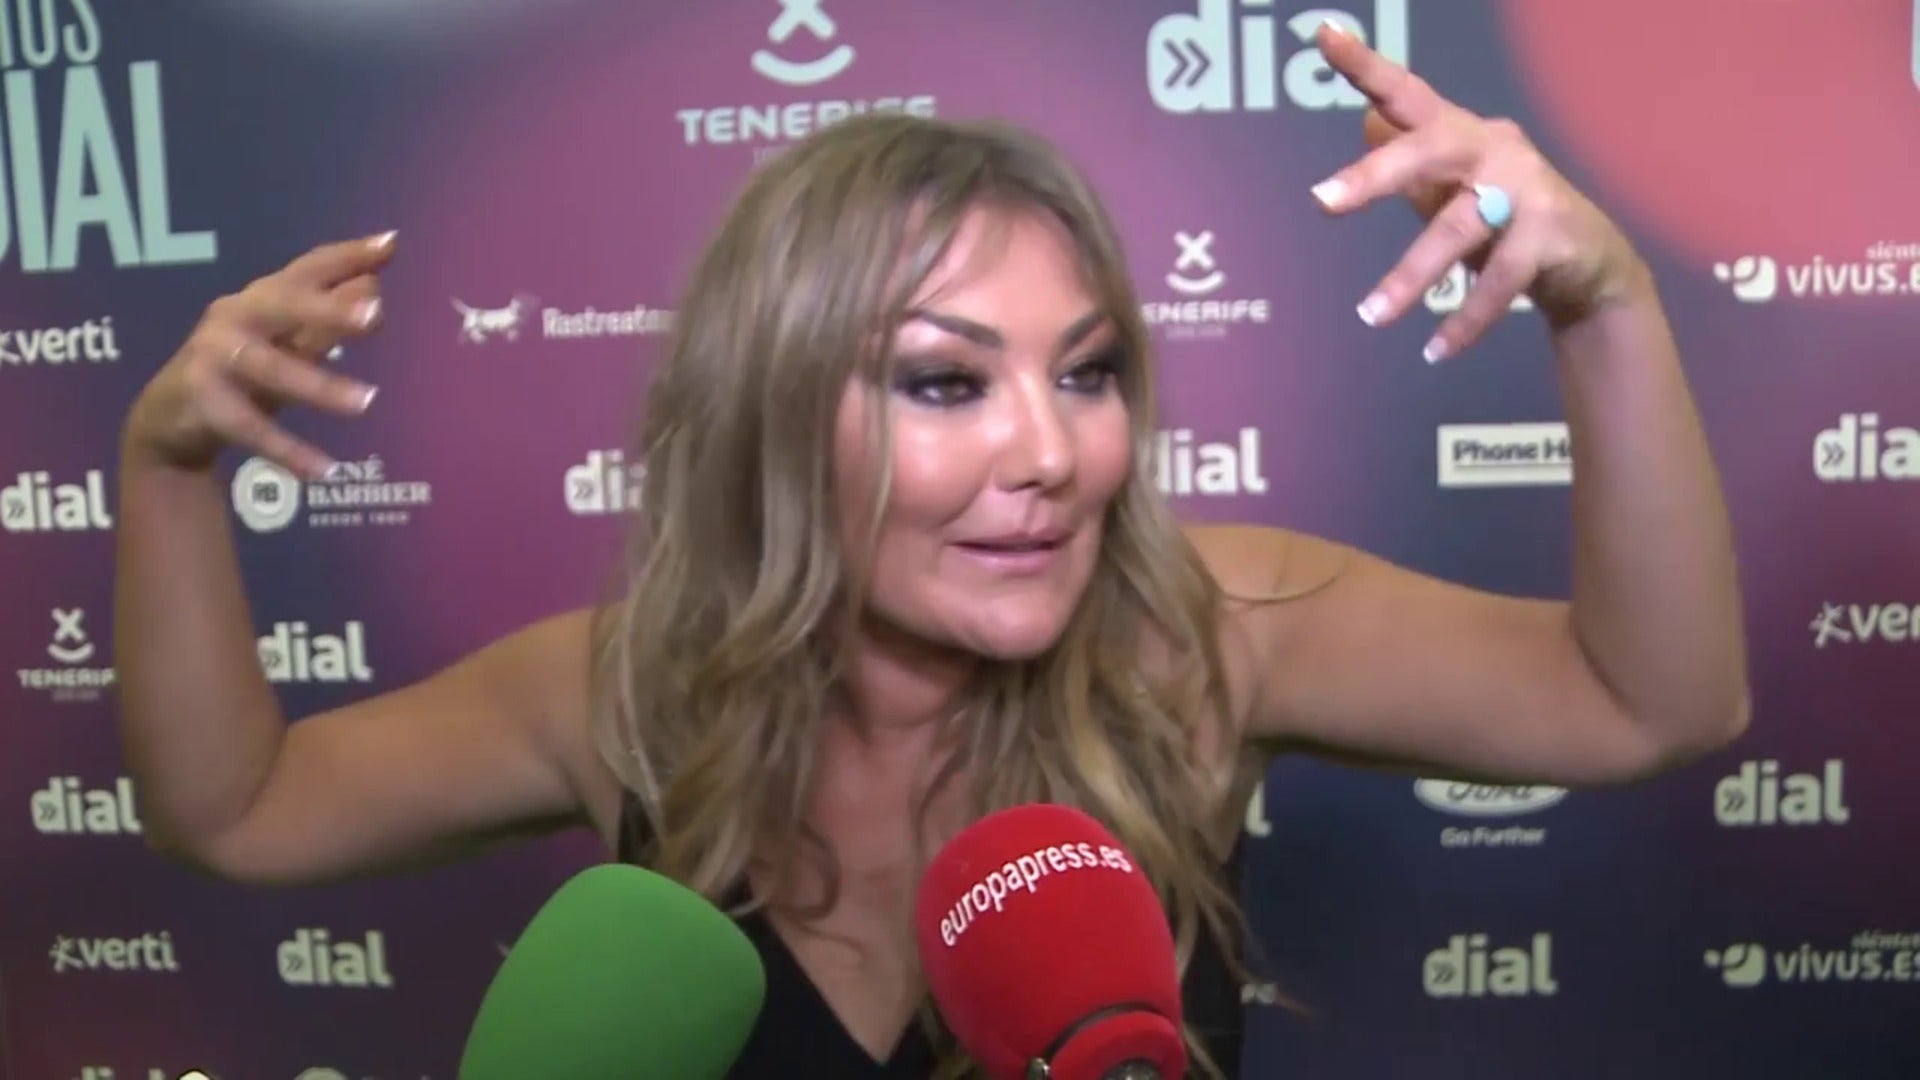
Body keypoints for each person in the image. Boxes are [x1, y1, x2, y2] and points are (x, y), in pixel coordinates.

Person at [113, 24, 1748, 1080]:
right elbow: (237, 812)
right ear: (771, 416)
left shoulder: (1206, 633)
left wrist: (1602, 302)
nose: (1052, 452)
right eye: (946, 382)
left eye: (1087, 372)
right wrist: (168, 471)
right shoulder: (625, 697)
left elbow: (1651, 702)